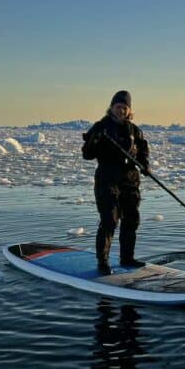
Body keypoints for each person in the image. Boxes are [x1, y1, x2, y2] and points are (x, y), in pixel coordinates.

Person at [82, 90, 150, 275]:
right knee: (109, 220)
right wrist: (94, 141)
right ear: (111, 108)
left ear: (129, 111)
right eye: (118, 107)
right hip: (107, 179)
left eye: (124, 108)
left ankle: (127, 257)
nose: (121, 111)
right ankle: (102, 261)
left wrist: (145, 165)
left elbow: (143, 150)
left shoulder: (135, 130)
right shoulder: (101, 127)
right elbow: (87, 154)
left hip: (129, 180)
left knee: (131, 219)